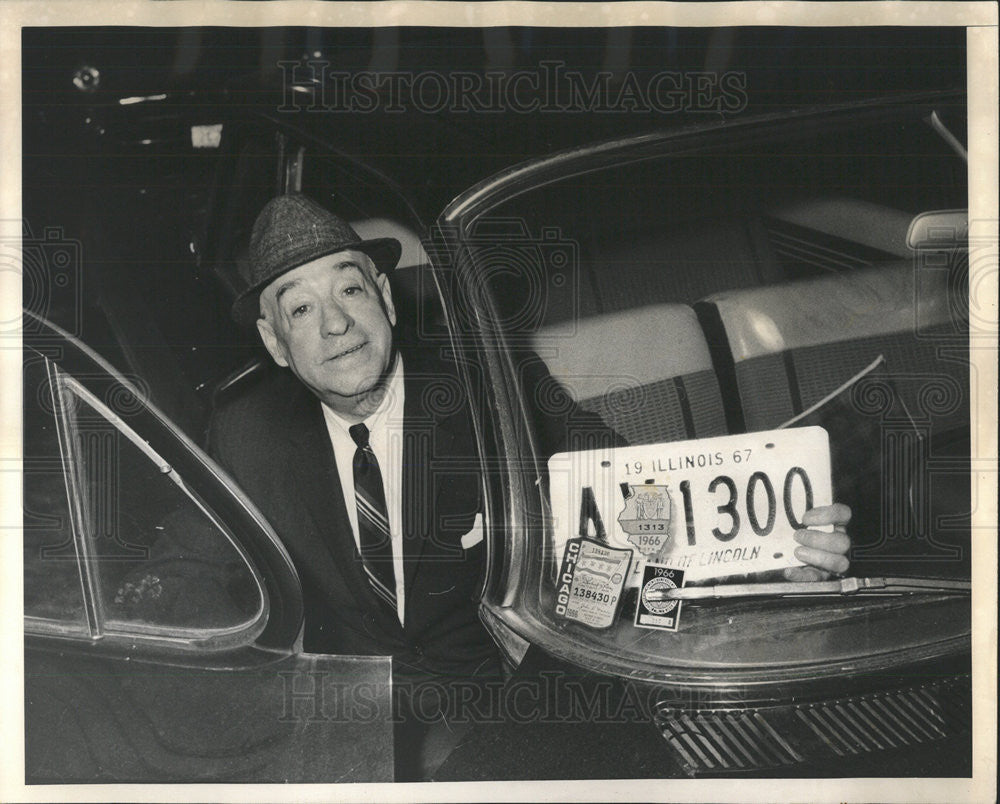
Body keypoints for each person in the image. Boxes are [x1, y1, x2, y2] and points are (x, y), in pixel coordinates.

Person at [207, 193, 851, 778]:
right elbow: (191, 580)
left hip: (508, 714)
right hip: (342, 728)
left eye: (349, 291)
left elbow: (642, 505)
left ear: (386, 294)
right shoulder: (245, 435)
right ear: (275, 342)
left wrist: (769, 563)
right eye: (300, 307)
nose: (335, 325)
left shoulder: (492, 381)